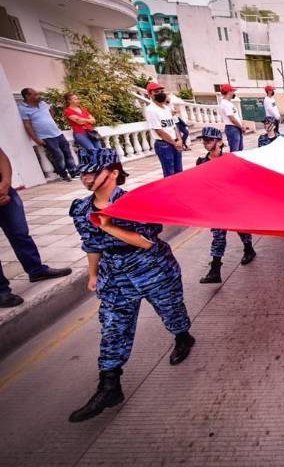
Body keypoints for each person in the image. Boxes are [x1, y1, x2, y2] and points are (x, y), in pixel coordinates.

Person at [68, 148, 194, 422]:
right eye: (84, 173)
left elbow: (147, 242)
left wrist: (108, 226)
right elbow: (91, 245)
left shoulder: (136, 203)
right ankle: (110, 385)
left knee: (170, 311)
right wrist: (92, 274)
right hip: (114, 275)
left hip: (152, 267)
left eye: (93, 172)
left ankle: (183, 337)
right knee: (113, 326)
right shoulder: (81, 209)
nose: (86, 178)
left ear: (113, 173)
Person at [0, 148, 72, 307]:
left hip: (5, 191)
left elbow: (1, 157)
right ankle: (1, 291)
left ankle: (36, 269)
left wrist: (5, 184)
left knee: (20, 233)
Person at [197, 127, 256, 284]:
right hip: (216, 206)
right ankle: (215, 270)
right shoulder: (201, 162)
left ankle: (249, 249)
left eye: (208, 140)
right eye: (204, 140)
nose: (205, 143)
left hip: (232, 203)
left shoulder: (230, 159)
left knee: (241, 229)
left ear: (219, 142)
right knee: (218, 236)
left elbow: (242, 180)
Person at [19, 88, 78, 181]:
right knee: (59, 156)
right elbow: (27, 125)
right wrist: (36, 139)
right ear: (27, 96)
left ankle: (73, 171)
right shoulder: (23, 108)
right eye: (35, 94)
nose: (38, 96)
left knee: (67, 152)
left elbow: (51, 113)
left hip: (57, 133)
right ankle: (63, 174)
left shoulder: (42, 103)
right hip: (45, 137)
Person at [144, 82, 183, 178]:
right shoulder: (151, 110)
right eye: (156, 92)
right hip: (164, 145)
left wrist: (180, 139)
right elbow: (160, 132)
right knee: (170, 173)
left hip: (175, 142)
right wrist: (175, 143)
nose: (160, 93)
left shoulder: (166, 108)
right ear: (149, 94)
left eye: (161, 91)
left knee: (179, 172)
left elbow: (173, 126)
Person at [218, 84, 245, 152]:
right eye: (232, 91)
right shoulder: (225, 104)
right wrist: (241, 127)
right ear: (229, 92)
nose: (233, 93)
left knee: (240, 149)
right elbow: (232, 118)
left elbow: (235, 116)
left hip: (235, 128)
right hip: (232, 128)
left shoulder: (228, 103)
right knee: (235, 150)